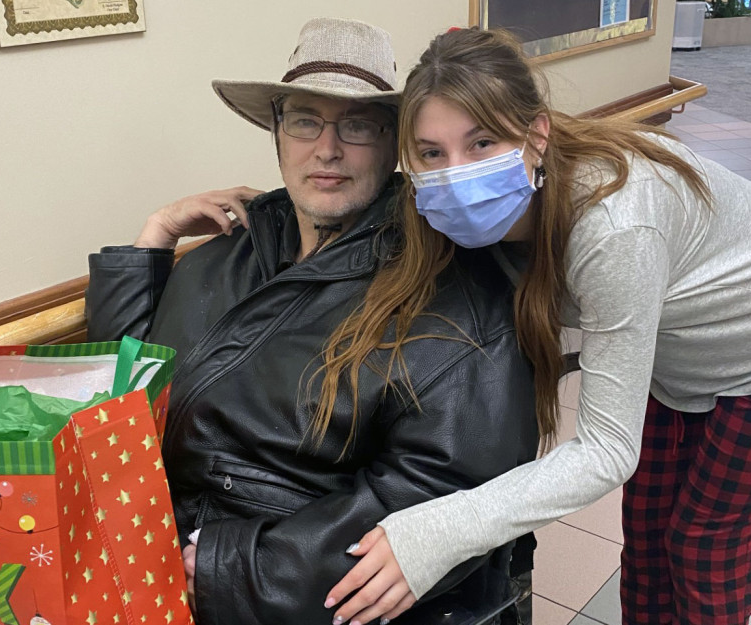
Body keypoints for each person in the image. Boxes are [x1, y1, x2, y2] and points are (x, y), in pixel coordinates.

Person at [325, 26, 751, 625]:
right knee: (646, 543)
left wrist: (439, 532)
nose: (456, 173)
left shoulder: (615, 224)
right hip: (678, 359)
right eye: (432, 153)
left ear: (536, 134)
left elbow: (606, 450)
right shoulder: (455, 214)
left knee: (705, 552)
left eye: (483, 142)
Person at [86, 18, 538, 625]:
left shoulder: (447, 284)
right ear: (276, 132)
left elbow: (440, 491)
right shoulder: (227, 252)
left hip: (279, 591)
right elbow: (118, 399)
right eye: (304, 120)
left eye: (357, 124)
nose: (326, 149)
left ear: (393, 142)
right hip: (151, 563)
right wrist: (152, 239)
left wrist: (225, 568)